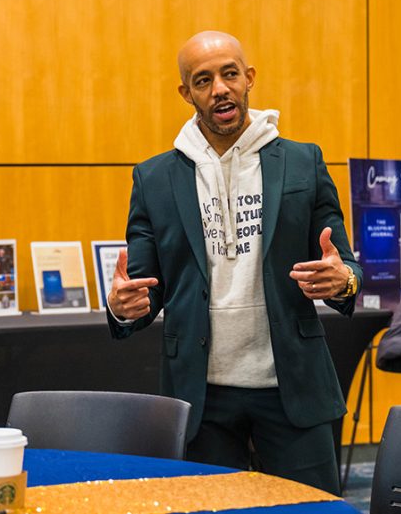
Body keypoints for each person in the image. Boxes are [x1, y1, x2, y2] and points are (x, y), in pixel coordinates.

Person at [106, 31, 362, 493]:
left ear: (249, 78)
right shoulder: (155, 178)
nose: (219, 88)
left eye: (229, 74)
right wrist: (123, 306)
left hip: (291, 388)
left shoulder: (303, 162)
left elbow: (344, 265)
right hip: (202, 395)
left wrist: (343, 279)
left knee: (311, 510)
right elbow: (144, 285)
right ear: (187, 94)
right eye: (203, 80)